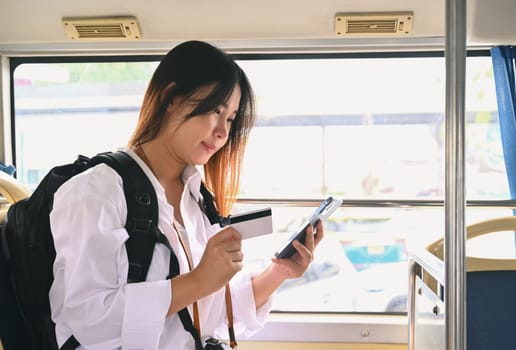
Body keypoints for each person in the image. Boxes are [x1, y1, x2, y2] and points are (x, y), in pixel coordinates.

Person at [49, 40, 324, 350]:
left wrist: (279, 272)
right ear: (171, 98)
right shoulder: (97, 190)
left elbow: (211, 313)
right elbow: (91, 320)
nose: (223, 132)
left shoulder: (197, 198)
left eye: (231, 119)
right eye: (216, 111)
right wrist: (198, 281)